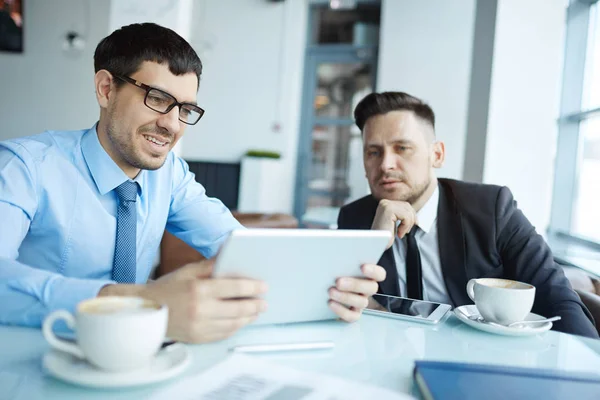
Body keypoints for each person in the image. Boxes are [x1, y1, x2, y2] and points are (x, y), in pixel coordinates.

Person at [0, 23, 385, 343]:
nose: (172, 124)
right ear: (105, 89)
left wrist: (330, 285)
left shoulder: (170, 176)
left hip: (137, 363)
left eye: (185, 109)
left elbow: (242, 248)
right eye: (157, 98)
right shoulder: (24, 167)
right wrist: (135, 302)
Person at [337, 91, 598, 338]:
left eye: (402, 148)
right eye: (373, 152)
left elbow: (558, 300)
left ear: (436, 155)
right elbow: (336, 304)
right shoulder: (354, 219)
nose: (385, 164)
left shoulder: (492, 208)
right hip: (390, 362)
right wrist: (372, 244)